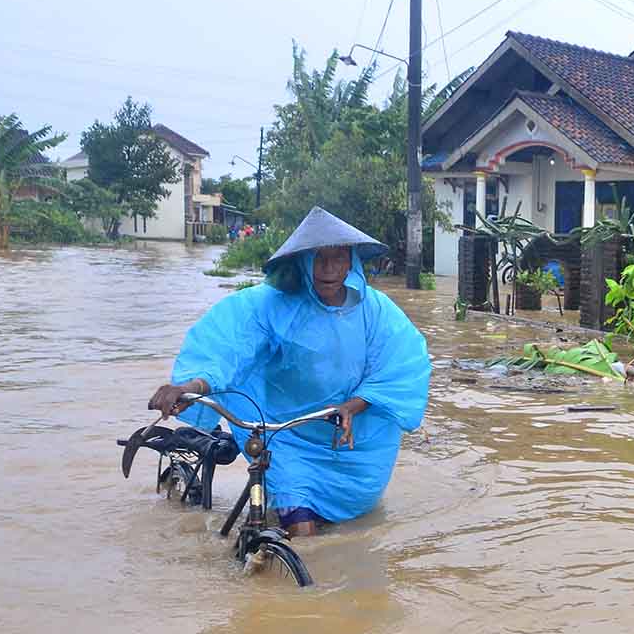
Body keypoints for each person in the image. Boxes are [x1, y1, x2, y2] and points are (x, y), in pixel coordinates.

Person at [148, 207, 431, 536]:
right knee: (301, 530)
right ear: (303, 262)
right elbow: (229, 349)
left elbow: (401, 366)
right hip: (286, 436)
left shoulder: (377, 311)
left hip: (353, 439)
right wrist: (191, 386)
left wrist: (353, 406)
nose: (328, 268)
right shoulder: (270, 305)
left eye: (338, 258)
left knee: (351, 529)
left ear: (351, 262)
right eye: (318, 258)